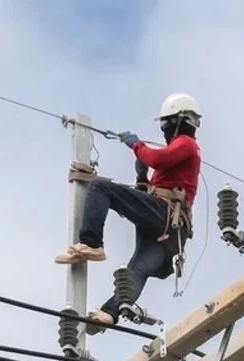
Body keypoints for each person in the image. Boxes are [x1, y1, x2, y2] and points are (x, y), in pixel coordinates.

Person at [55, 92, 203, 330]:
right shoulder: (182, 154)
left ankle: (91, 243)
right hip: (171, 233)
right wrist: (142, 177)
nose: (164, 129)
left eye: (166, 124)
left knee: (100, 188)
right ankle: (109, 314)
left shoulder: (186, 144)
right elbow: (155, 183)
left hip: (165, 217)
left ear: (177, 122)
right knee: (139, 268)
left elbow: (156, 158)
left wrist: (136, 145)